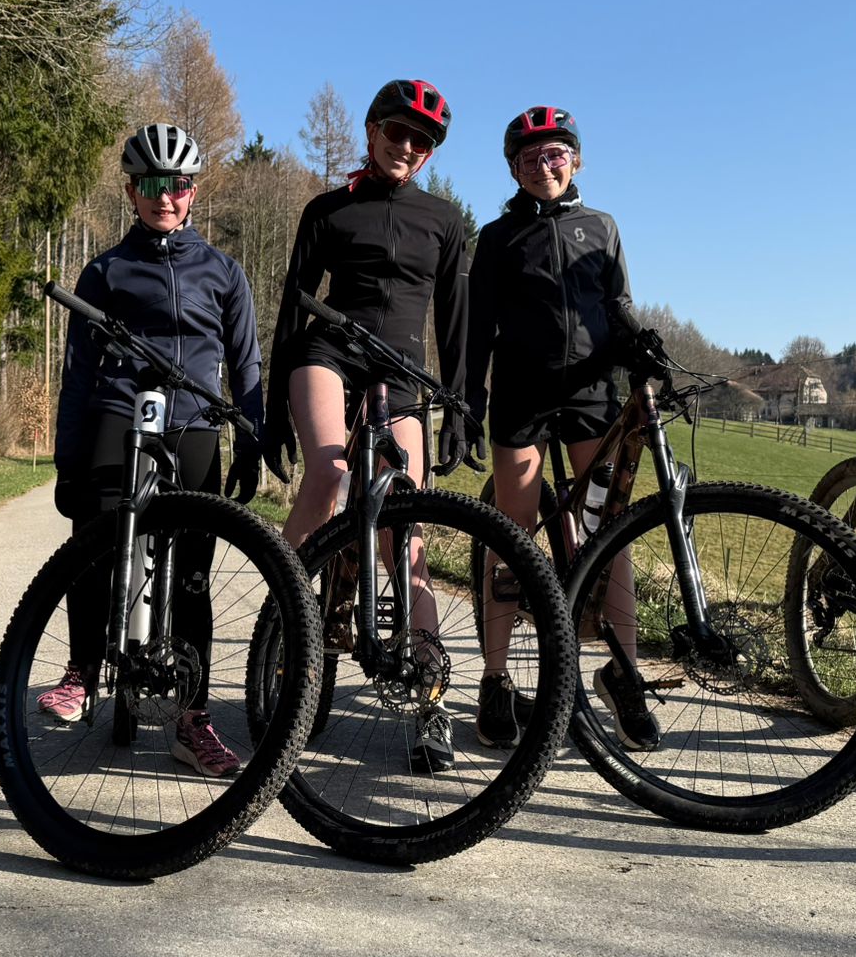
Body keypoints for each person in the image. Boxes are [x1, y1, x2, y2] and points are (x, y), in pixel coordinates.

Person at [40, 121, 271, 777]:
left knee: (193, 572)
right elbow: (78, 373)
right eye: (149, 184)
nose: (162, 196)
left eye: (175, 185)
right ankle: (82, 670)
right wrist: (67, 461)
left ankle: (192, 719)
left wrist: (250, 440)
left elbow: (247, 363)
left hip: (196, 418)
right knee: (96, 541)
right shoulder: (106, 270)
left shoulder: (224, 272)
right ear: (131, 190)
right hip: (119, 407)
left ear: (193, 190)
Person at [264, 78, 472, 772]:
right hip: (329, 354)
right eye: (396, 132)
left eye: (422, 140)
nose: (407, 147)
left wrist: (460, 408)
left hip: (403, 374)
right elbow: (294, 308)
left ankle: (432, 702)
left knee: (404, 537)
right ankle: (282, 621)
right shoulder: (328, 211)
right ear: (371, 130)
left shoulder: (443, 220)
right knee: (329, 472)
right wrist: (268, 413)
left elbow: (456, 319)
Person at [463, 106, 654, 751]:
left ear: (575, 160)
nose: (544, 167)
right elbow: (477, 331)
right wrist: (465, 405)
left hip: (592, 393)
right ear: (514, 170)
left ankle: (622, 671)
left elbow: (618, 304)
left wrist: (639, 344)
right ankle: (494, 678)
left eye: (555, 155)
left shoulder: (602, 227)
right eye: (529, 158)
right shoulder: (496, 237)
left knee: (610, 531)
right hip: (520, 392)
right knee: (510, 533)